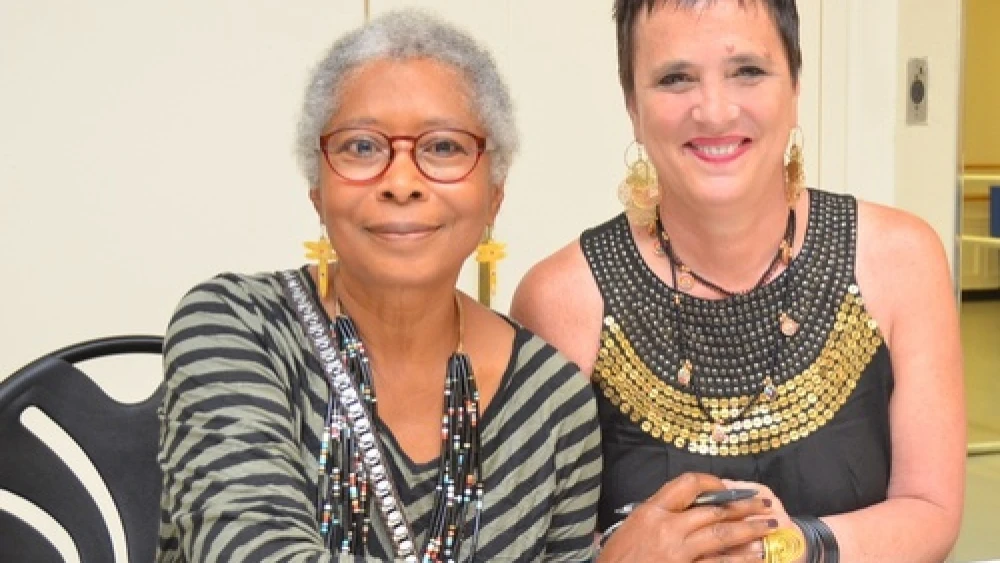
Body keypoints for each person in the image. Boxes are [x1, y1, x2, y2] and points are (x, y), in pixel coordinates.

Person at [512, 1, 966, 562]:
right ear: (632, 105)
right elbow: (533, 543)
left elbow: (930, 509)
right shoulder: (562, 298)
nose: (715, 111)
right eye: (675, 79)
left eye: (747, 71)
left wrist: (791, 546)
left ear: (795, 87)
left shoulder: (899, 259)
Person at [156, 10, 610, 562]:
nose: (400, 182)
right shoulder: (233, 327)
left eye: (444, 147)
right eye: (362, 147)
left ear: (495, 193)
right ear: (316, 189)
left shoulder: (554, 403)